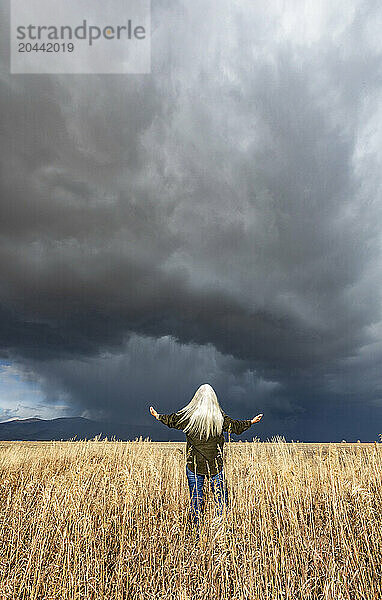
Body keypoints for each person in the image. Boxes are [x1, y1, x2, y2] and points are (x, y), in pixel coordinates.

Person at [149, 383, 263, 533]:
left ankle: (196, 532)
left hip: (194, 465)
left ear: (196, 399)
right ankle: (221, 530)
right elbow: (235, 427)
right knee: (220, 500)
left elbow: (172, 420)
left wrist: (158, 416)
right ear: (214, 400)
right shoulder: (219, 418)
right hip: (215, 466)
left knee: (196, 500)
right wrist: (251, 422)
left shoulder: (189, 417)